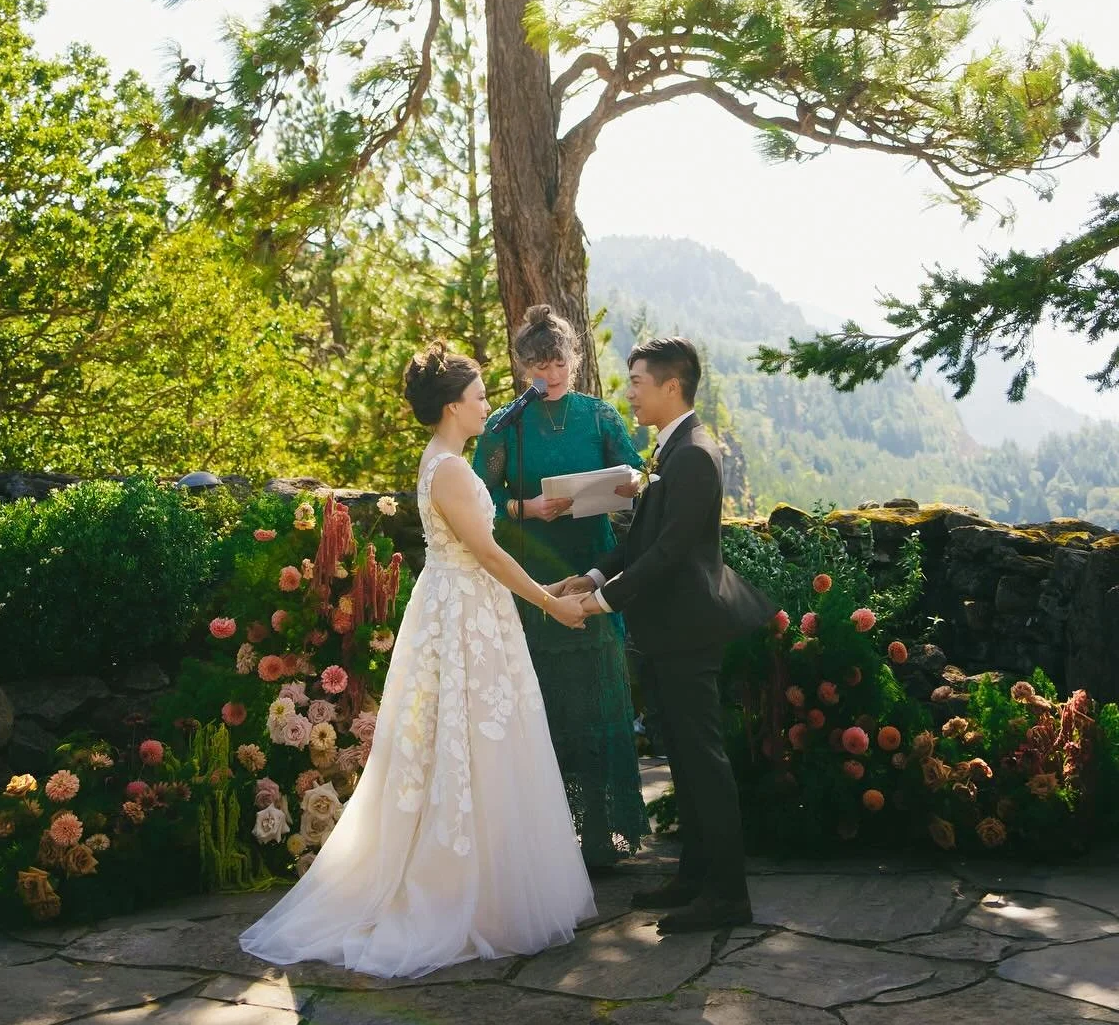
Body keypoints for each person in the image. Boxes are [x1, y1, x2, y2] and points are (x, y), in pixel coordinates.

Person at [238, 344, 596, 978]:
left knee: (464, 743)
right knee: (467, 740)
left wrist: (550, 587)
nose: (490, 404)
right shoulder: (452, 469)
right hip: (463, 615)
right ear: (454, 405)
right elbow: (486, 552)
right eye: (482, 395)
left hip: (462, 607)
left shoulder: (443, 461)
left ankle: (482, 881)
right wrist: (547, 602)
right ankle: (462, 893)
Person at [557, 335, 775, 934]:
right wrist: (594, 573)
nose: (630, 392)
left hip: (689, 630)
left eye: (638, 383)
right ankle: (696, 878)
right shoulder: (669, 451)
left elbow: (673, 554)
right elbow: (643, 542)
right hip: (667, 632)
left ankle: (728, 895)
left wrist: (603, 602)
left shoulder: (694, 455)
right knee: (682, 756)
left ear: (671, 386)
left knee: (704, 761)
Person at [472, 305, 651, 872]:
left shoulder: (598, 417)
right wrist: (525, 506)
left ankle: (601, 838)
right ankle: (542, 846)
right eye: (539, 365)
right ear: (523, 367)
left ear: (575, 360)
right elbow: (474, 502)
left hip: (590, 569)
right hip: (531, 578)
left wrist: (616, 487)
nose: (551, 374)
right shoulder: (505, 426)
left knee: (596, 708)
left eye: (559, 362)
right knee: (541, 710)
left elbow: (640, 477)